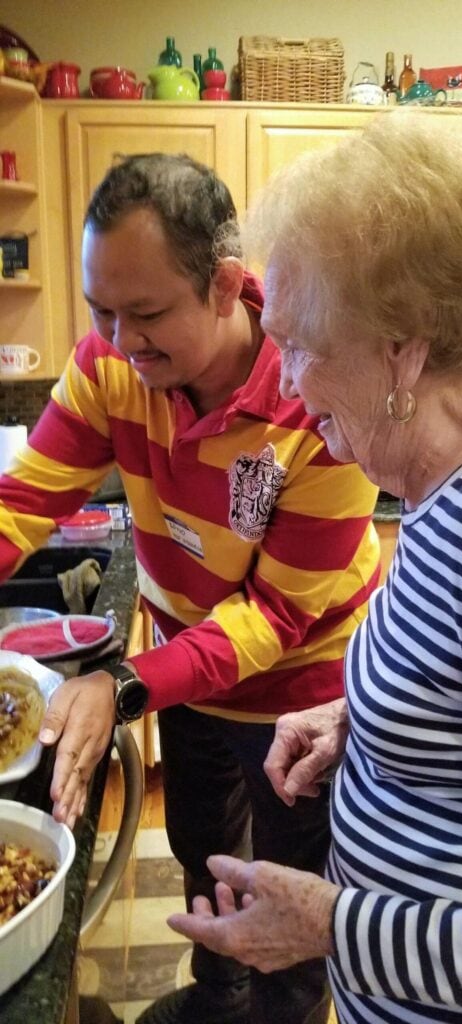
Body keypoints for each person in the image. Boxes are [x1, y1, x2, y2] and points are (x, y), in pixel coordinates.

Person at [0, 152, 380, 1024]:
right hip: (187, 672)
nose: (119, 341)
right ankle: (219, 995)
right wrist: (153, 679)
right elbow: (24, 501)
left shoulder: (314, 393)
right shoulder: (112, 367)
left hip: (298, 696)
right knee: (203, 842)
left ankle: (280, 1010)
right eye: (102, 311)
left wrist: (125, 684)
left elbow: (275, 617)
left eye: (145, 313)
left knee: (287, 887)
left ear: (224, 287)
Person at [167, 112, 462, 1024]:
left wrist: (331, 927)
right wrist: (364, 718)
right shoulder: (442, 492)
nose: (289, 384)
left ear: (405, 349)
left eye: (307, 349)